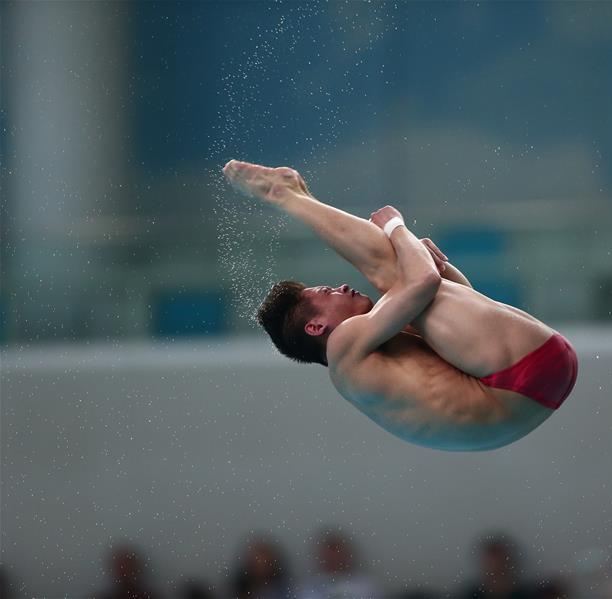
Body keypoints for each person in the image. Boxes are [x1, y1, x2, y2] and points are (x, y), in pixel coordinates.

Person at [222, 160, 578, 451]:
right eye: (328, 291)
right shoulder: (344, 347)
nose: (342, 286)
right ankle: (286, 196)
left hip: (529, 387)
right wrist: (396, 227)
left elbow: (462, 298)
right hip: (520, 378)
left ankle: (295, 196)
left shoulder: (379, 349)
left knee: (403, 275)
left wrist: (437, 265)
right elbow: (422, 282)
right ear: (315, 328)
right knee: (392, 269)